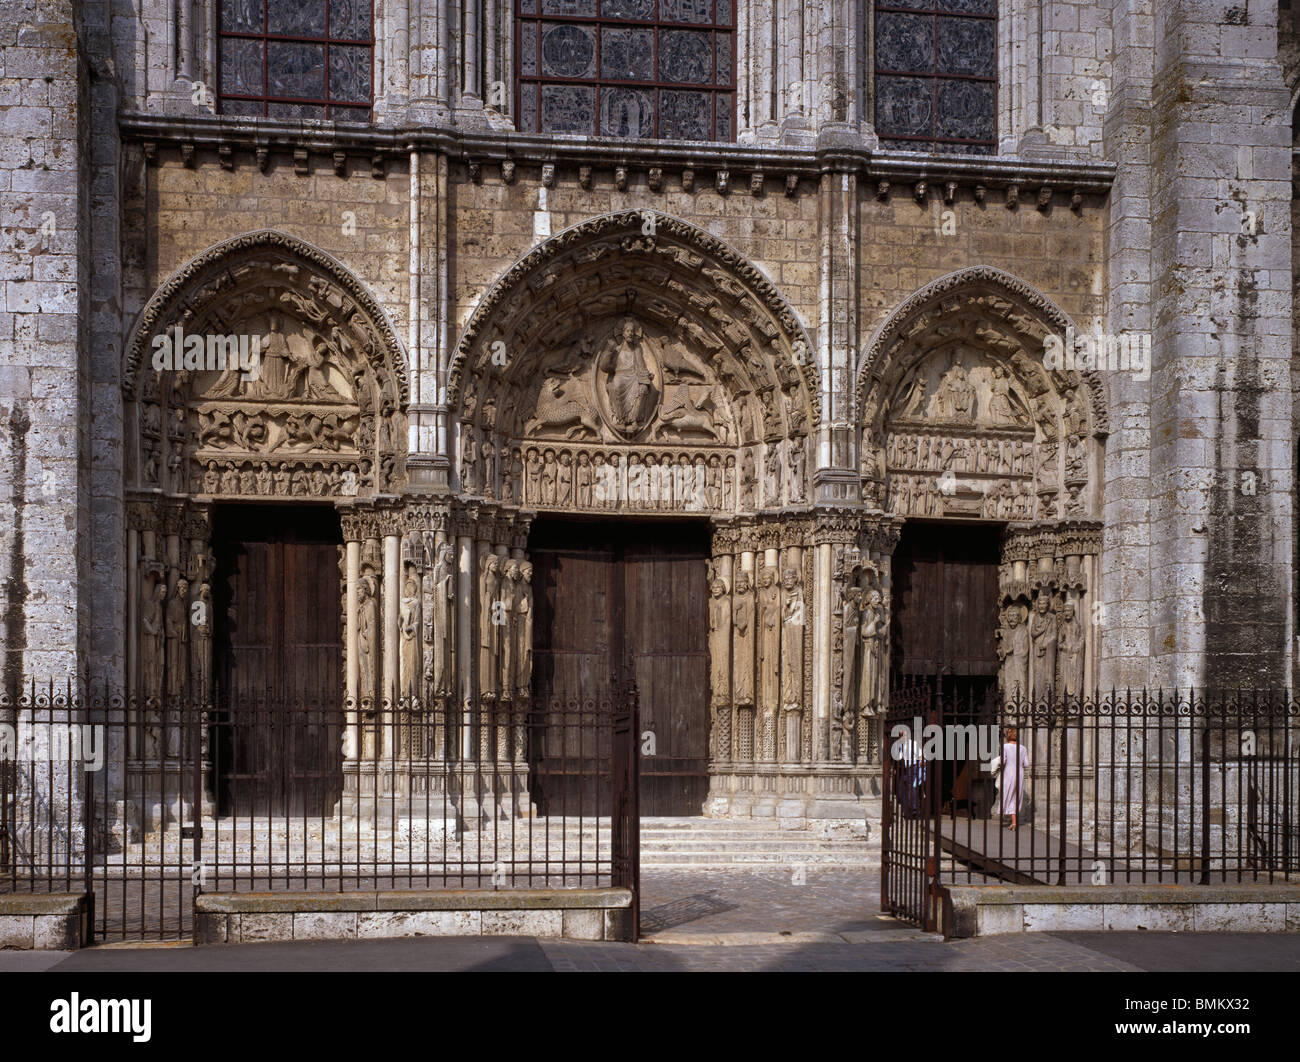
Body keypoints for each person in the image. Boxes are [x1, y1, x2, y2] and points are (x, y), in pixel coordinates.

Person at [990, 725, 1031, 830]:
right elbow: (1026, 764)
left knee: (1006, 794)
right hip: (1019, 774)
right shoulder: (1023, 748)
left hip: (1009, 773)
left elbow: (1003, 760)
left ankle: (1002, 815)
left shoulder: (1005, 747)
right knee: (1016, 797)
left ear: (1008, 736)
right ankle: (1014, 823)